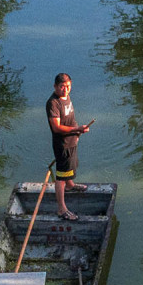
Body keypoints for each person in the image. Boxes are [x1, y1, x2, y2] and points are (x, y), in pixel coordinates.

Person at [46, 73, 91, 220]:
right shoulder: (53, 103)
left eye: (68, 86)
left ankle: (70, 185)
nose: (65, 90)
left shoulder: (66, 97)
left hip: (72, 140)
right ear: (55, 86)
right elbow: (56, 127)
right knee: (61, 176)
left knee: (71, 166)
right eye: (62, 87)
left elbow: (70, 118)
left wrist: (78, 132)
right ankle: (61, 209)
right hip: (63, 145)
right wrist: (76, 129)